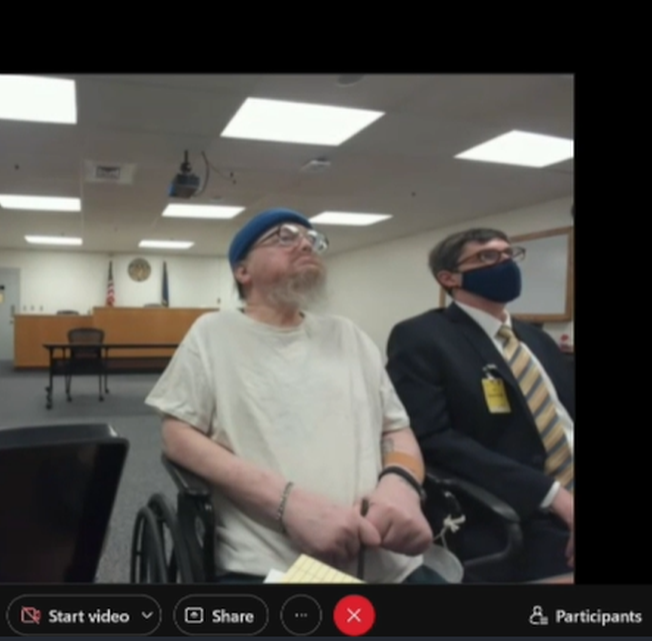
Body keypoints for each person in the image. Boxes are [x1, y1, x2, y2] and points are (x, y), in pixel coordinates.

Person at [145, 208, 446, 583]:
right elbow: (177, 436)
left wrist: (401, 487)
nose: (306, 242)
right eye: (284, 237)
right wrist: (289, 505)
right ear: (243, 271)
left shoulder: (348, 335)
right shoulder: (214, 333)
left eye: (312, 238)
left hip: (387, 560)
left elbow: (396, 429)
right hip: (274, 566)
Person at [385, 228, 574, 582]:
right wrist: (553, 496)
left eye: (509, 254)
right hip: (518, 509)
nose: (504, 262)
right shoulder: (422, 337)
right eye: (487, 256)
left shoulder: (537, 339)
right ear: (448, 278)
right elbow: (433, 436)